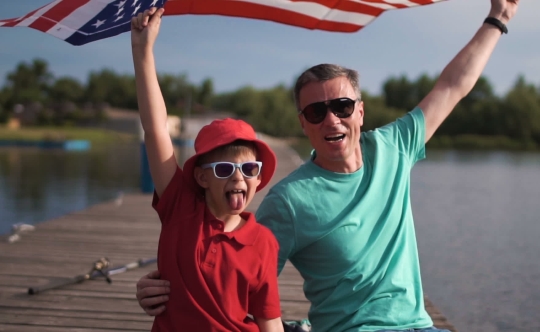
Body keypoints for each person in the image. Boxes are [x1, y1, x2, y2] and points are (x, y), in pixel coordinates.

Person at [135, 1, 519, 331]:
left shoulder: (394, 147)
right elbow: (236, 268)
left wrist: (497, 18)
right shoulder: (290, 200)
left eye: (342, 107)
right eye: (317, 111)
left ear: (361, 111)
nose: (332, 120)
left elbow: (453, 86)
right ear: (303, 123)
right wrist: (167, 284)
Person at [131, 7, 284, 332]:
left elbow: (268, 317)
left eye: (248, 168)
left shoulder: (263, 242)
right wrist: (142, 51)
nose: (238, 177)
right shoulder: (180, 208)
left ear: (258, 177)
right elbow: (156, 129)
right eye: (225, 168)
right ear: (201, 177)